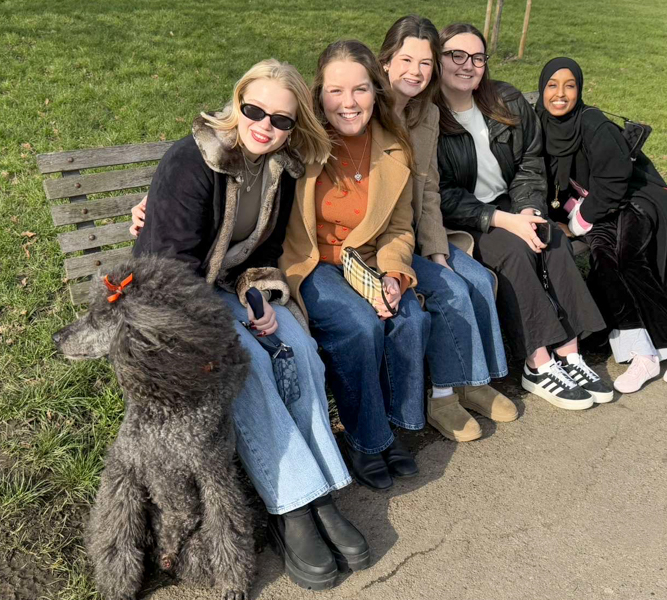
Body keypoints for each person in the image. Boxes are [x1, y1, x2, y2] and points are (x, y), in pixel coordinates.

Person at [129, 59, 368, 591]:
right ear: (236, 104)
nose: (265, 125)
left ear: (293, 126)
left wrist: (259, 297)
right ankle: (289, 506)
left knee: (298, 344)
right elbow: (167, 269)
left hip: (225, 287)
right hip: (170, 303)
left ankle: (321, 490)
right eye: (254, 110)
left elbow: (264, 253)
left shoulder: (279, 168)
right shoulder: (193, 161)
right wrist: (223, 321)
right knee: (250, 362)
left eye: (281, 119)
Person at [434, 23, 613, 411]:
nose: (468, 65)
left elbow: (530, 162)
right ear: (439, 58)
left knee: (552, 236)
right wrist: (503, 219)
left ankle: (569, 352)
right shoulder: (429, 116)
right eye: (456, 56)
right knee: (515, 251)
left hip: (513, 202)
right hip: (467, 219)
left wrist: (529, 209)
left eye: (477, 58)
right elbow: (441, 193)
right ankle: (537, 362)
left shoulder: (506, 101)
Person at [280, 40, 429, 492]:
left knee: (411, 317)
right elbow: (236, 153)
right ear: (317, 94)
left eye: (360, 90)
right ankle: (367, 442)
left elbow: (399, 226)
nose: (349, 103)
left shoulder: (393, 150)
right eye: (335, 91)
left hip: (365, 261)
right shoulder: (298, 142)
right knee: (359, 327)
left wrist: (394, 274)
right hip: (312, 263)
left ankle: (390, 428)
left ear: (376, 92)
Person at [377, 15, 515, 443]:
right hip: (380, 242)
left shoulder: (427, 114)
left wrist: (439, 251)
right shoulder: (367, 110)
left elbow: (430, 189)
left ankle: (472, 382)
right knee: (449, 290)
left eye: (425, 63)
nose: (415, 72)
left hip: (418, 232)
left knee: (471, 276)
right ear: (385, 62)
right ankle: (441, 397)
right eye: (405, 60)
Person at [537, 57, 667, 393]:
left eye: (570, 85)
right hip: (596, 208)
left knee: (627, 257)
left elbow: (615, 179)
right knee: (605, 260)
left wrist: (579, 220)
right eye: (552, 85)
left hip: (636, 199)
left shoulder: (593, 122)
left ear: (579, 90)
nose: (560, 94)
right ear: (541, 89)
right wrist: (564, 218)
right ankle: (642, 354)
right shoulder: (540, 125)